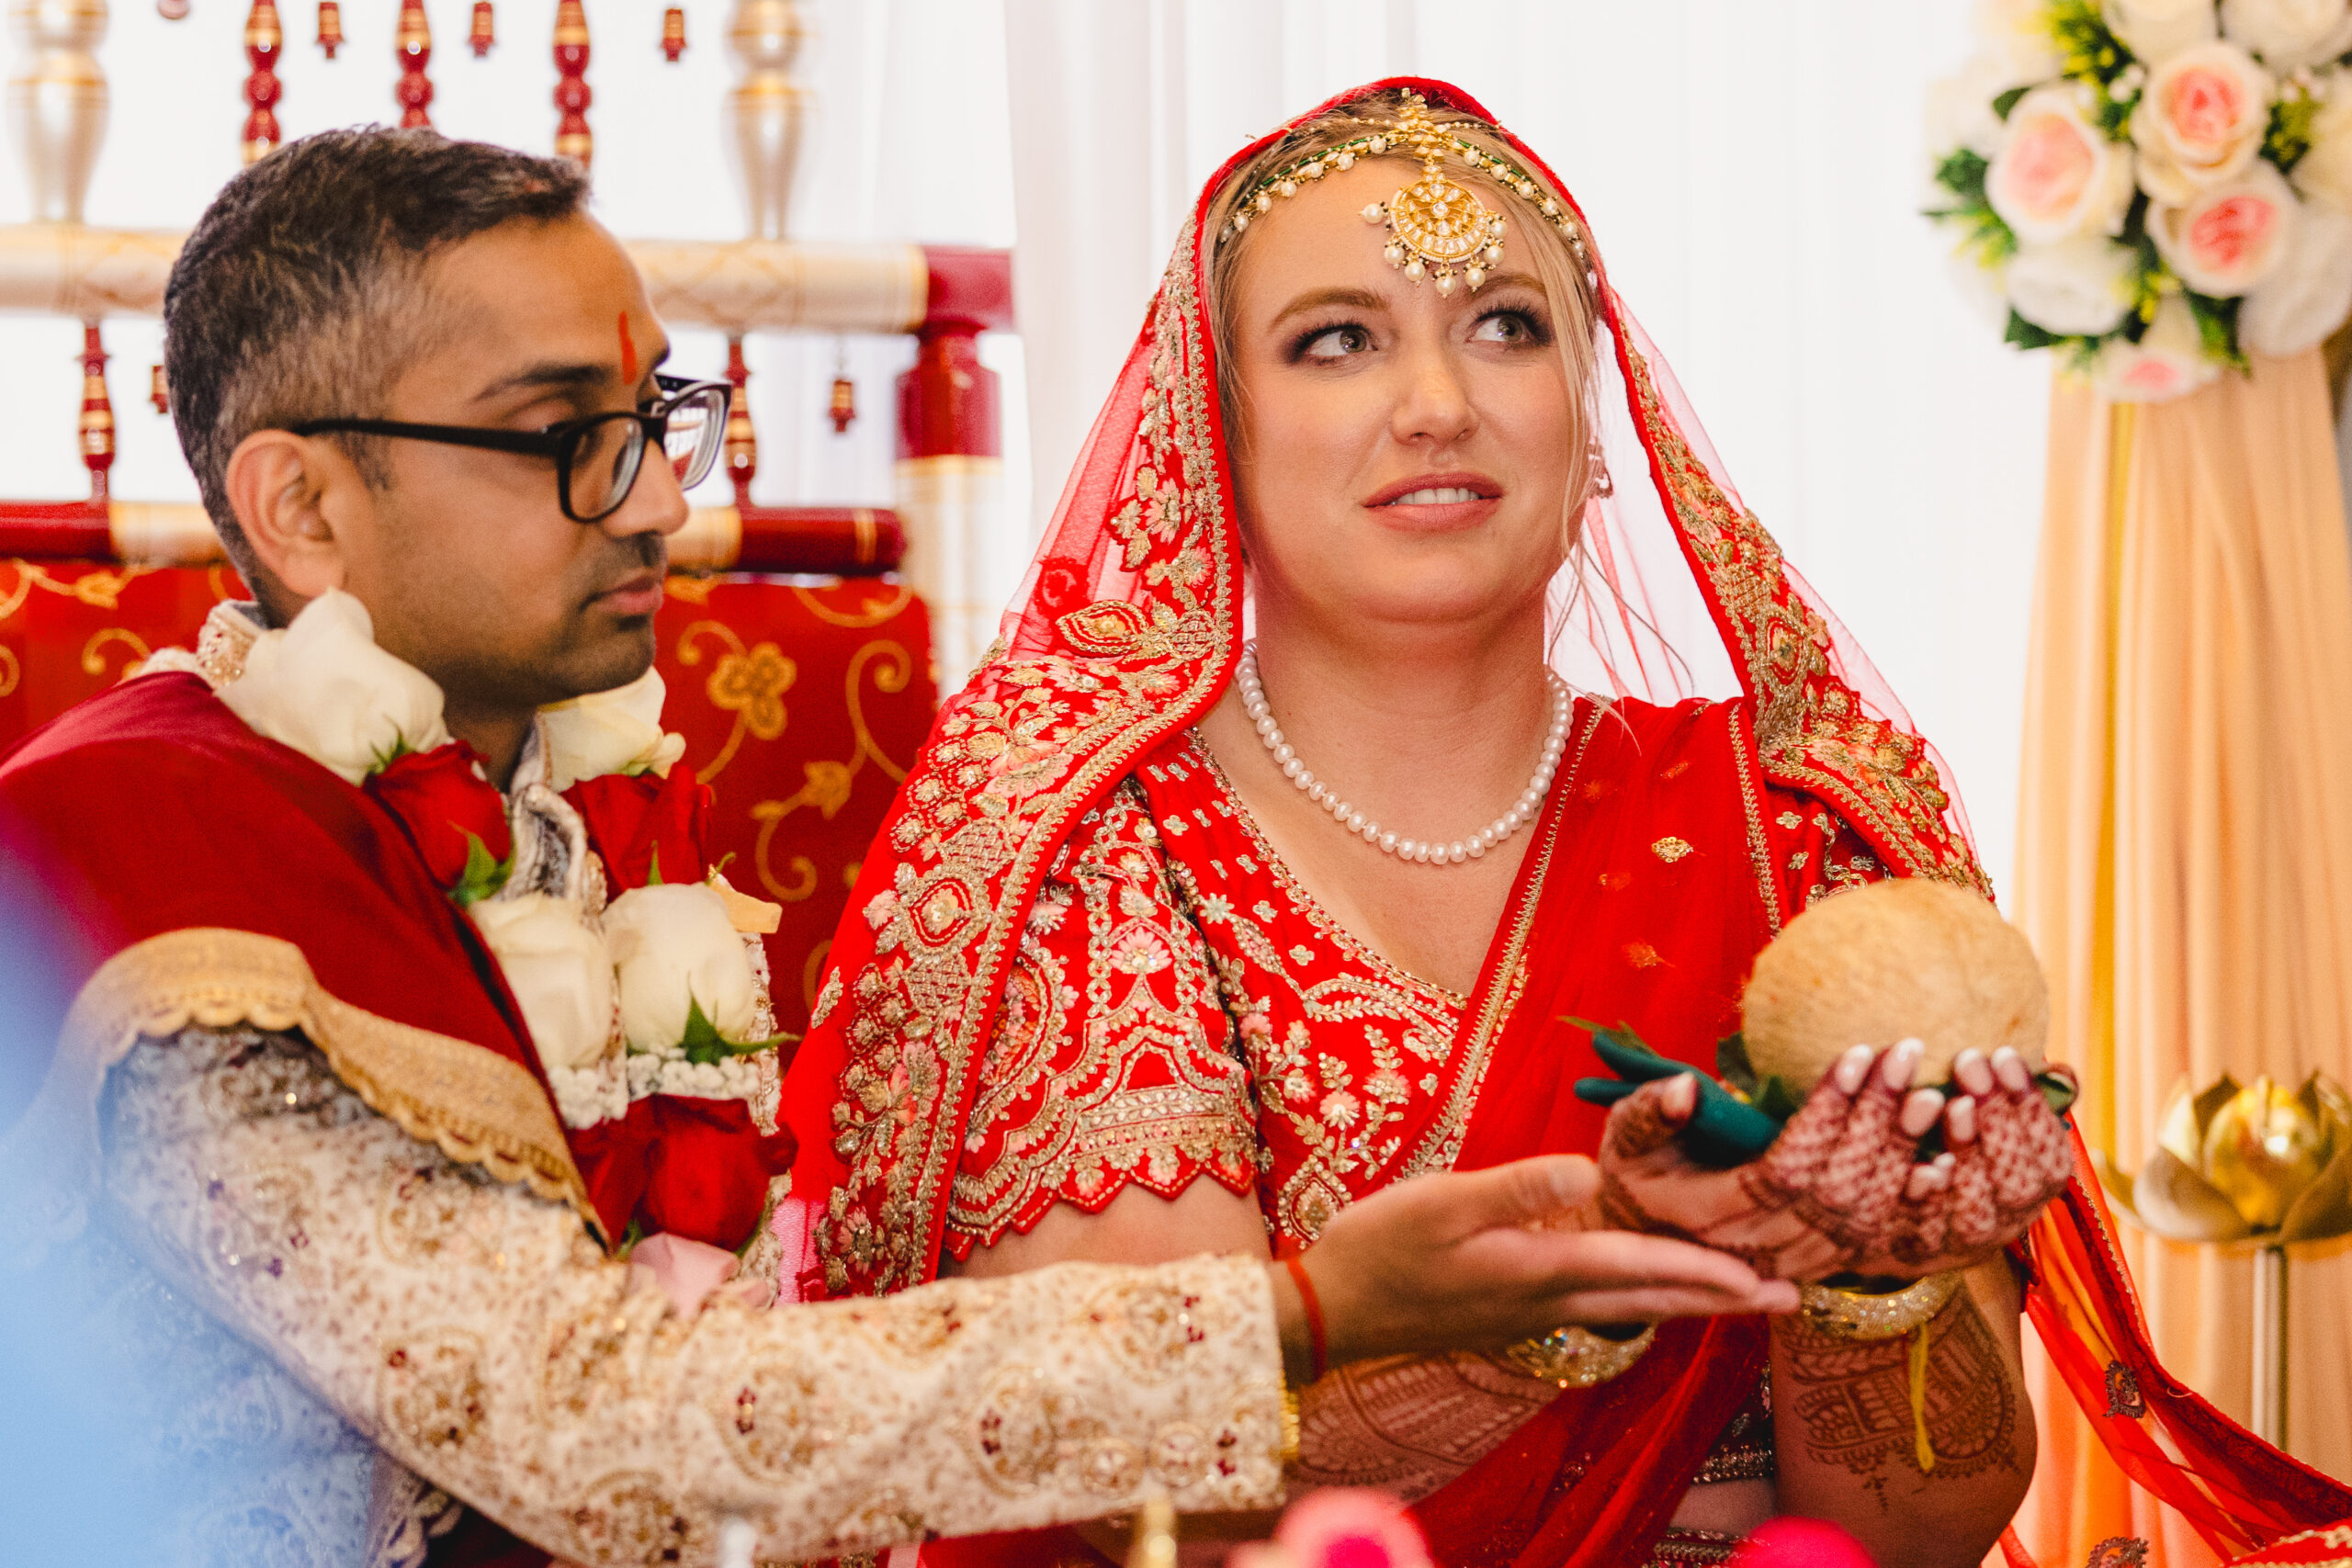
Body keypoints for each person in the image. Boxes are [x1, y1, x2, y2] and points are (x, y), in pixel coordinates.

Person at [0, 128, 1804, 1567]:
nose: (661, 502)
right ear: (302, 505)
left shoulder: (566, 839)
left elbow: (745, 1319)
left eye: (657, 423)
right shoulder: (165, 878)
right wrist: (1308, 1310)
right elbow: (603, 1431)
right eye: (566, 440)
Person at [778, 80, 2352, 1568]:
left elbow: (1914, 1537)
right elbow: (1142, 1485)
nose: (1440, 403)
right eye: (1338, 341)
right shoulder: (1089, 846)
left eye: (1508, 329)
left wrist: (1874, 1268)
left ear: (1595, 428)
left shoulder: (1796, 823)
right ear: (1215, 433)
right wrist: (1573, 1293)